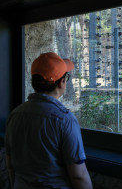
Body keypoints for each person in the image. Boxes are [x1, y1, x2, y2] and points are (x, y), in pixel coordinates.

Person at [5, 52, 93, 189]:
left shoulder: (15, 115)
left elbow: (10, 166)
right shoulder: (65, 120)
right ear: (62, 83)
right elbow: (78, 175)